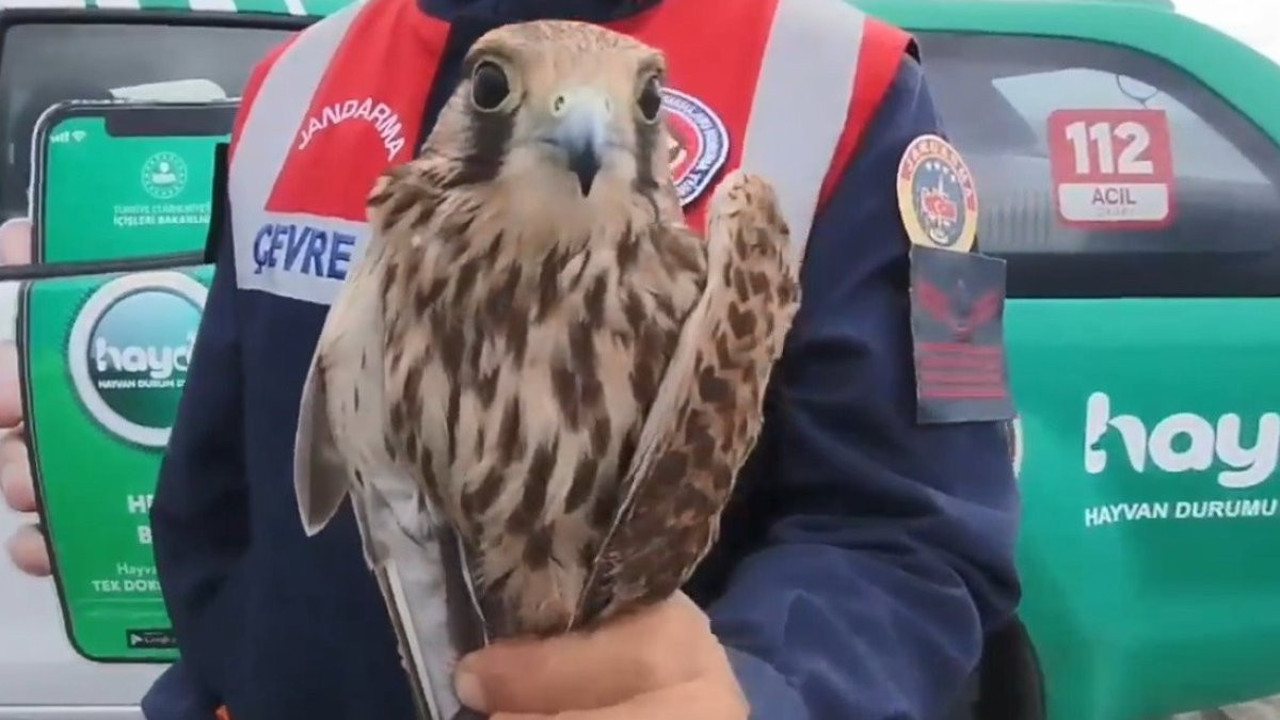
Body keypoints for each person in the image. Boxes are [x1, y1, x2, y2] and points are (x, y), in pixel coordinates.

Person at [7, 0, 1021, 718]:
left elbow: (930, 539)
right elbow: (225, 497)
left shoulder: (862, 86)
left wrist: (766, 692)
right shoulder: (295, 78)